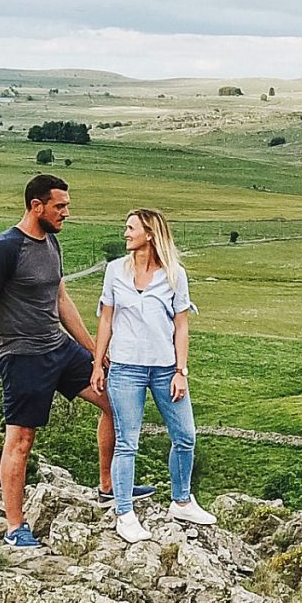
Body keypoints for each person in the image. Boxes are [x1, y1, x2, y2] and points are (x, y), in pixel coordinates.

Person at [0, 175, 112, 547]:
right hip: (24, 357)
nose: (66, 213)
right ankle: (15, 528)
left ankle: (108, 488)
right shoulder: (6, 247)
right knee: (21, 439)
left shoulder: (51, 243)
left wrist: (94, 351)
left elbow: (61, 300)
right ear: (36, 206)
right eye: (59, 206)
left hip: (59, 349)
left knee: (115, 401)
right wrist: (7, 333)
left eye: (66, 206)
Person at [90, 207, 215, 539]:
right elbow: (105, 320)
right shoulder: (115, 270)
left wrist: (181, 371)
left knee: (185, 436)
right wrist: (97, 363)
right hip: (125, 368)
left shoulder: (175, 275)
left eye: (131, 228)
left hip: (164, 368)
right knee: (127, 442)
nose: (125, 233)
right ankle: (124, 513)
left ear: (150, 234)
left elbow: (181, 327)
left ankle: (182, 500)